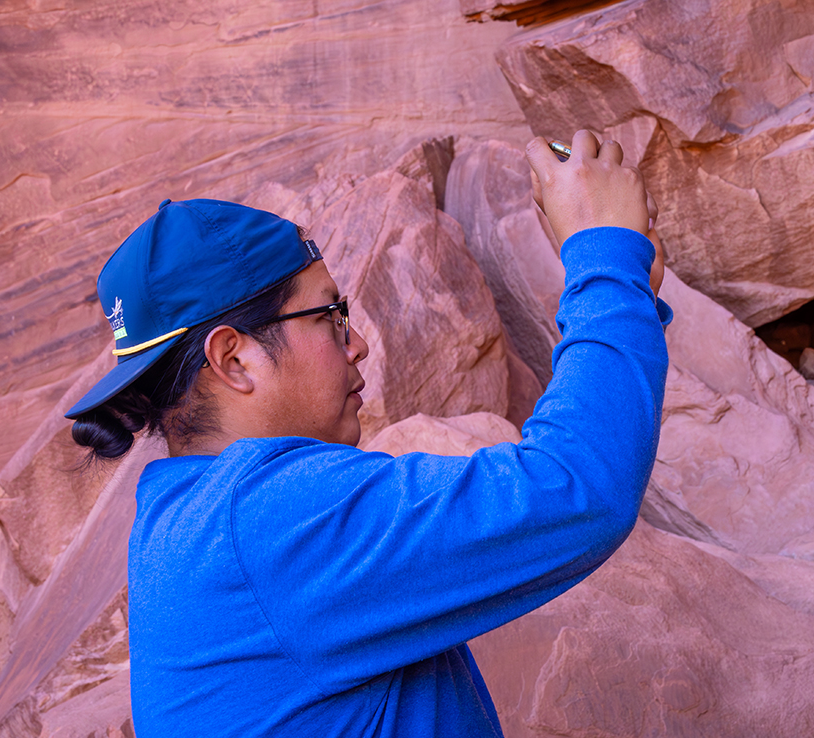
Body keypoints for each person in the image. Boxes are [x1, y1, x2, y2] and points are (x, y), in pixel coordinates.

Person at [65, 130, 672, 737]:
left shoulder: (187, 521)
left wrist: (627, 297)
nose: (357, 343)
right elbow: (578, 488)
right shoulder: (270, 520)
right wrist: (604, 254)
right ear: (234, 360)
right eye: (330, 315)